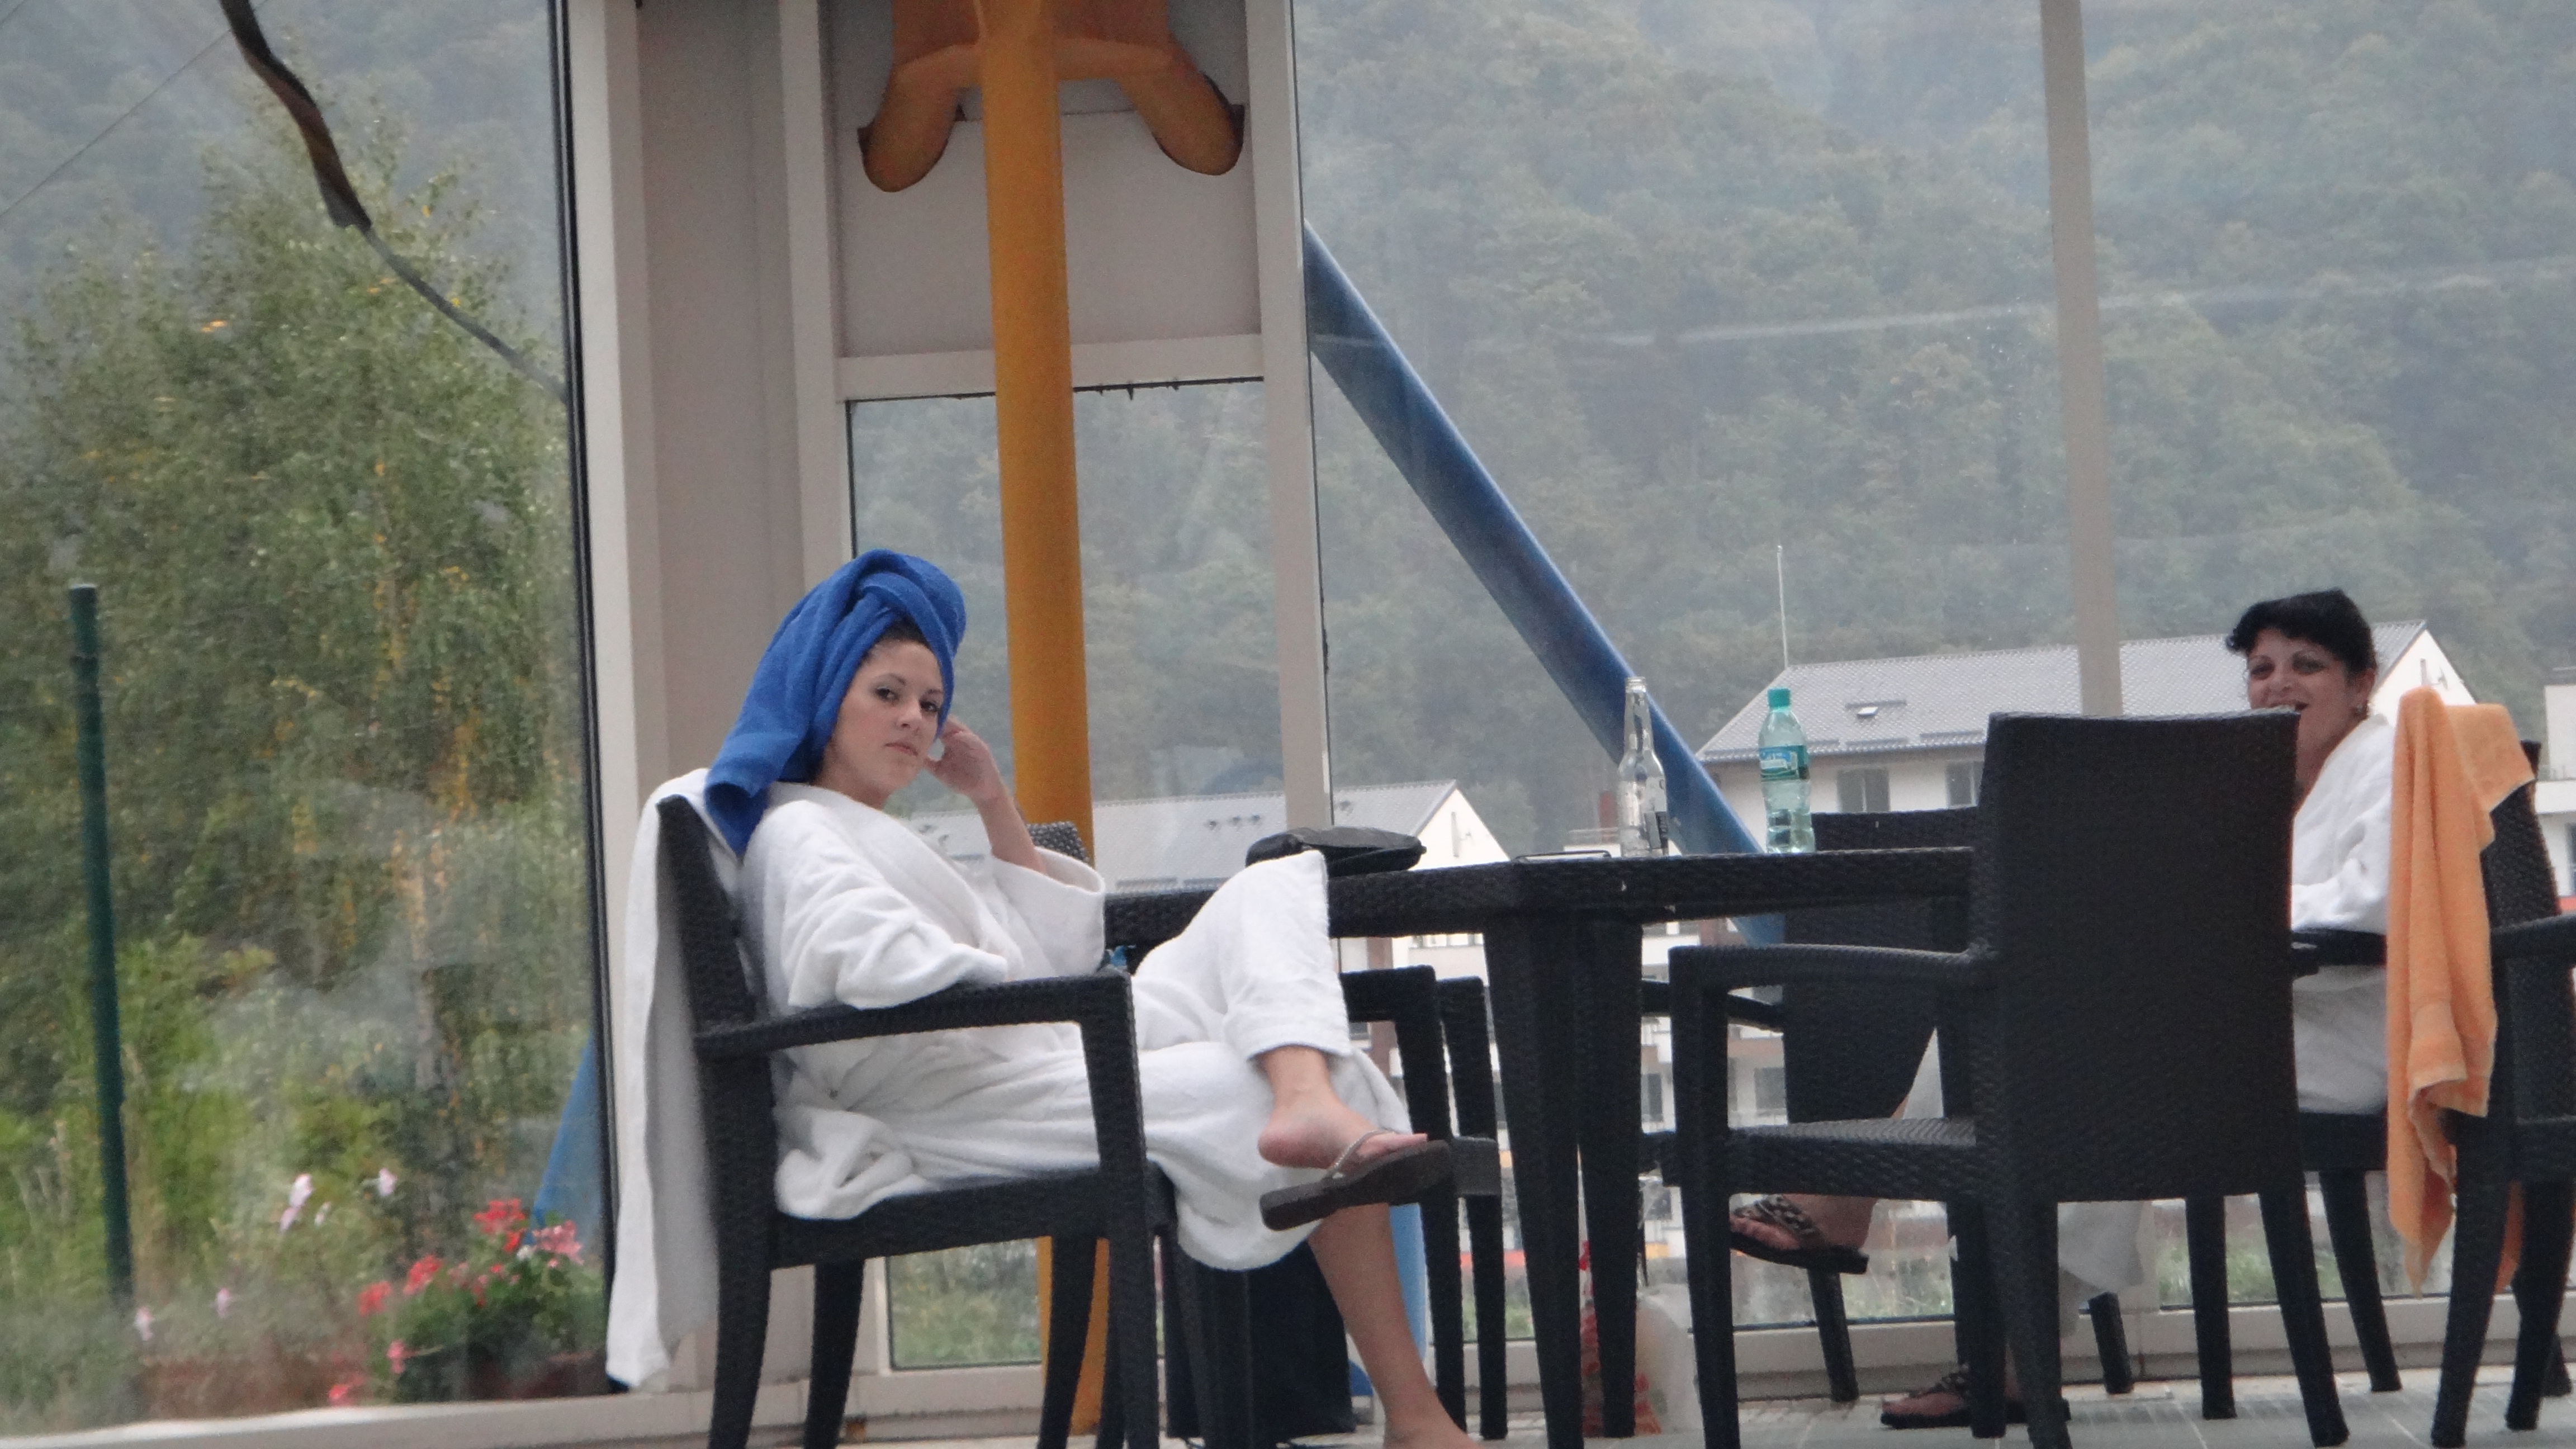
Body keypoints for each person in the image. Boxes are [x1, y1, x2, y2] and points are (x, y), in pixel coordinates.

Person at [705, 550, 1474, 1449]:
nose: (915, 718)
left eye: (931, 702)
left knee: (1272, 885)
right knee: (1268, 1085)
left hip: (1041, 1048)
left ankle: (1307, 1103)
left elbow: (1050, 952)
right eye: (888, 694)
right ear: (825, 697)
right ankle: (1414, 1413)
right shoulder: (801, 832)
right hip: (961, 1098)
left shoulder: (868, 834)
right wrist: (988, 970)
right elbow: (867, 959)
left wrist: (992, 801)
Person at [1725, 588, 2390, 1427]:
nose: (2278, 685)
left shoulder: (2390, 762)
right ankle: (1985, 1328)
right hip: (2254, 1017)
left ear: (2361, 682)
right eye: (2261, 670)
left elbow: (2377, 908)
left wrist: (2219, 910)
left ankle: (1923, 1269)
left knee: (2087, 1068)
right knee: (2014, 1020)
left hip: (2346, 1032)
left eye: (2307, 665)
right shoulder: (2274, 786)